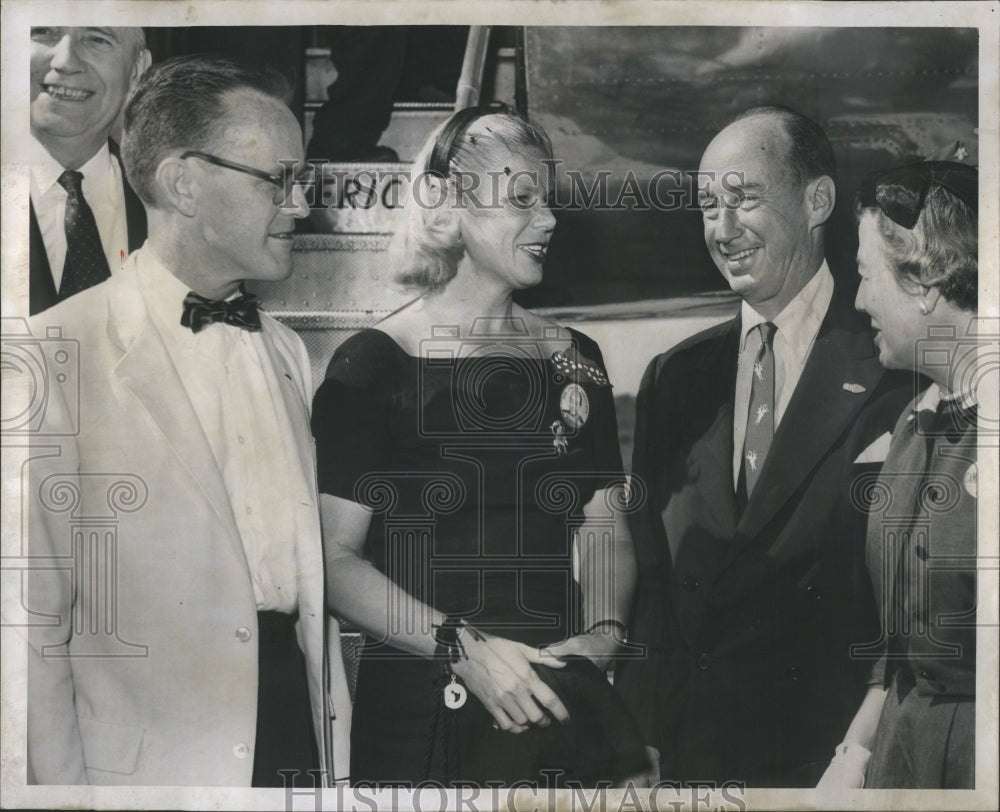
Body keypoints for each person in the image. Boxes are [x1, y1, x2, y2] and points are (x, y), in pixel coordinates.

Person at [24, 55, 351, 786]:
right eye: (279, 180)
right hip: (146, 775)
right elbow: (28, 632)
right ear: (183, 183)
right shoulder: (53, 357)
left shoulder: (288, 352)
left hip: (293, 749)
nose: (300, 205)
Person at [311, 107, 647, 786]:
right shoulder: (372, 363)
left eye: (547, 199)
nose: (548, 220)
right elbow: (332, 559)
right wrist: (462, 647)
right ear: (450, 207)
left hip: (556, 696)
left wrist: (604, 634)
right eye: (522, 199)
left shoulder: (575, 357)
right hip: (423, 713)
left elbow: (603, 519)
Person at [614, 105, 915, 786]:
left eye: (743, 199)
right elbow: (655, 585)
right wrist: (638, 732)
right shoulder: (674, 378)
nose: (722, 230)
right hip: (696, 761)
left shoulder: (895, 369)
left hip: (836, 763)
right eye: (705, 206)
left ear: (817, 201)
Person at [817, 161, 978, 790]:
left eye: (864, 276)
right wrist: (852, 757)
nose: (858, 301)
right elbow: (900, 650)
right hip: (901, 756)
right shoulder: (916, 425)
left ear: (926, 282)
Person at [29, 26, 151, 315]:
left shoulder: (174, 204)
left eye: (98, 39)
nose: (65, 61)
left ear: (136, 71)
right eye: (42, 32)